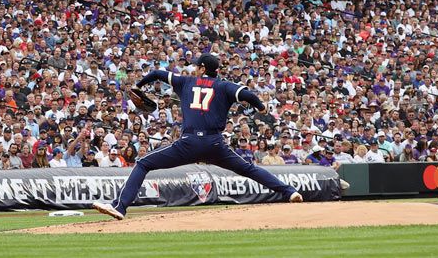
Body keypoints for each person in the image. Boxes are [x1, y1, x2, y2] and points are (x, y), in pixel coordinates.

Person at [94, 53, 303, 220]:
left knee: (143, 164)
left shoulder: (186, 82)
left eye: (197, 66)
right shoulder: (224, 86)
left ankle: (119, 207)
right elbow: (247, 94)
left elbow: (157, 73)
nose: (194, 68)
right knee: (249, 169)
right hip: (215, 144)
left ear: (203, 69)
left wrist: (138, 86)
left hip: (189, 143)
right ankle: (289, 192)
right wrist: (262, 108)